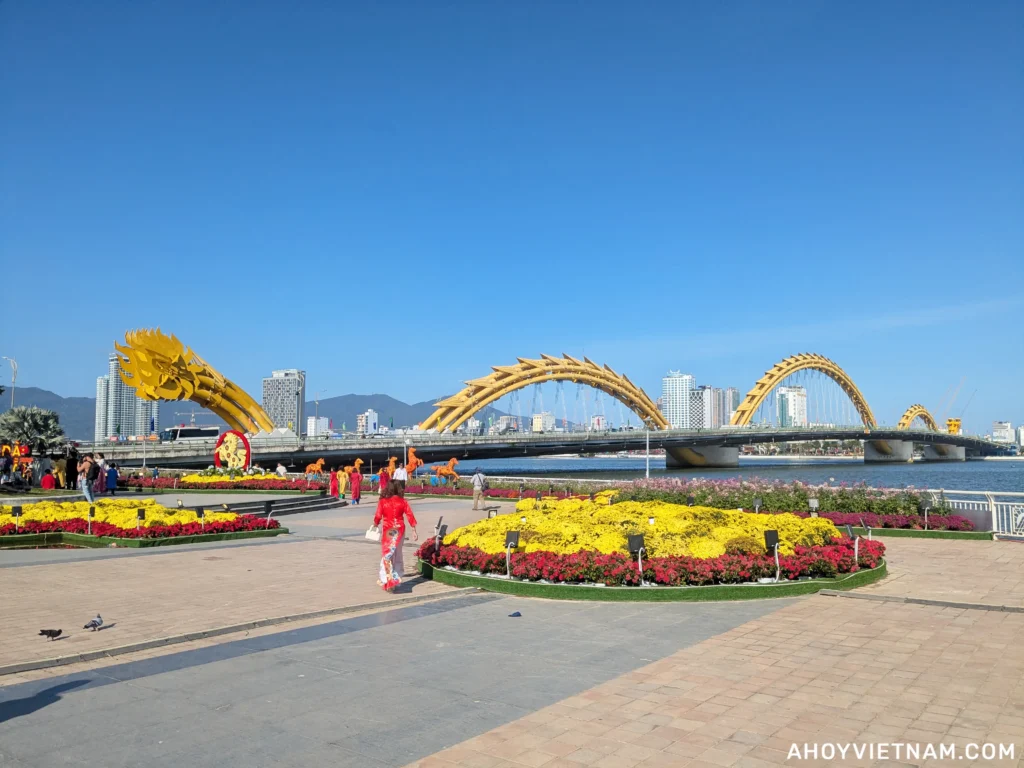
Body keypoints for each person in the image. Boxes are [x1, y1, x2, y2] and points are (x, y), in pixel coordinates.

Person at [372, 480, 418, 592]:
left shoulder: (383, 502)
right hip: (399, 530)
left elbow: (378, 515)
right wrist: (414, 530)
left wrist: (375, 524)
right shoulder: (403, 502)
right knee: (397, 553)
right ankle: (397, 577)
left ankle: (386, 579)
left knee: (387, 554)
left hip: (388, 530)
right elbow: (410, 515)